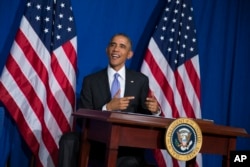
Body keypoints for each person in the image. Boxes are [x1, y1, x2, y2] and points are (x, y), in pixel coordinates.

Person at [78, 33, 160, 167]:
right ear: (107, 50)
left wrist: (155, 110)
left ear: (129, 54)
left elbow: (144, 115)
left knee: (130, 162)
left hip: (127, 145)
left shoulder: (140, 80)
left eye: (122, 46)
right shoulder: (90, 81)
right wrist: (107, 108)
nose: (116, 49)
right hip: (97, 143)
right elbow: (82, 118)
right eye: (113, 45)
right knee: (69, 140)